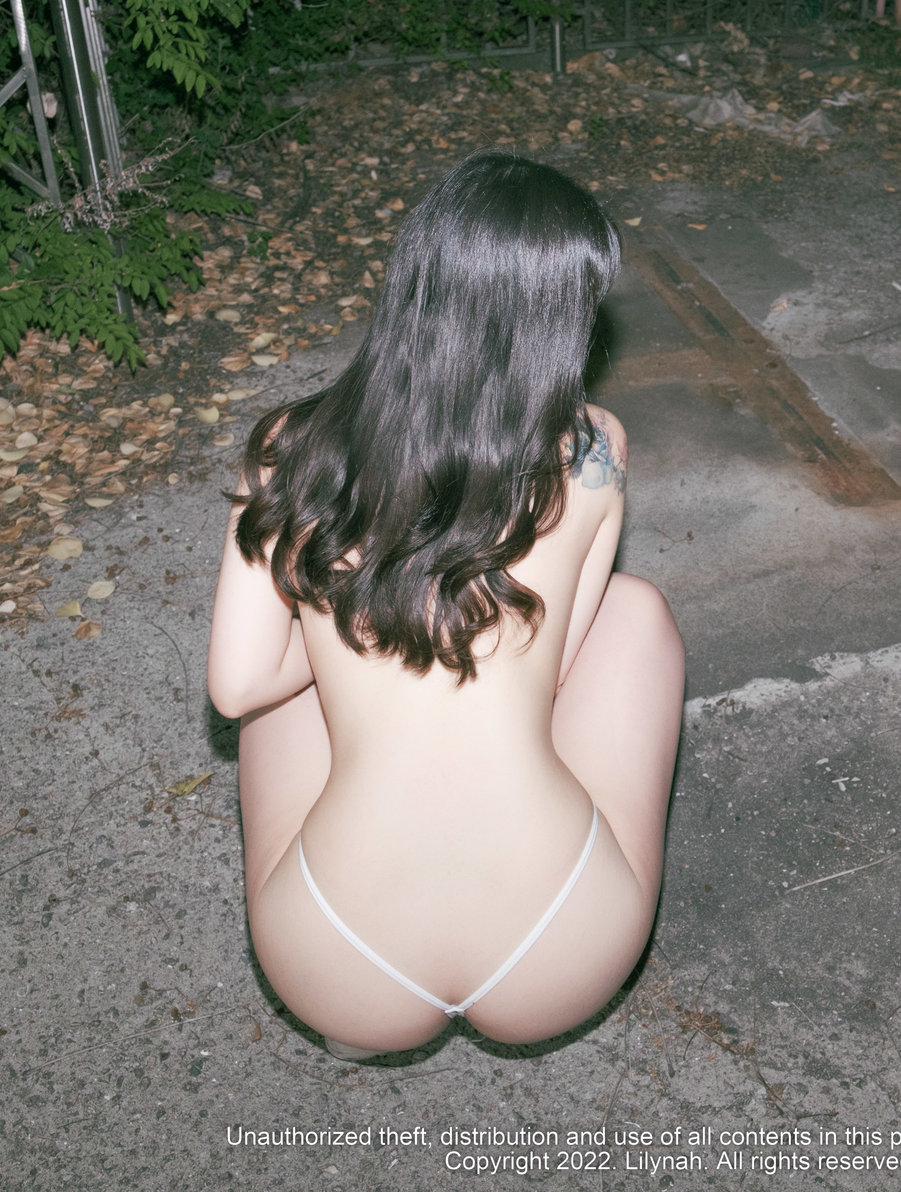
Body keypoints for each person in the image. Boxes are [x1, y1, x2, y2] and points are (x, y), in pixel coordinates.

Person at [206, 153, 683, 1058]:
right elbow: (557, 670)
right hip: (563, 948)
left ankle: (356, 1025)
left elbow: (235, 687)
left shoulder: (291, 448)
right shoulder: (593, 450)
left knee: (286, 685)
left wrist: (352, 609)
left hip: (336, 963)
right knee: (633, 612)